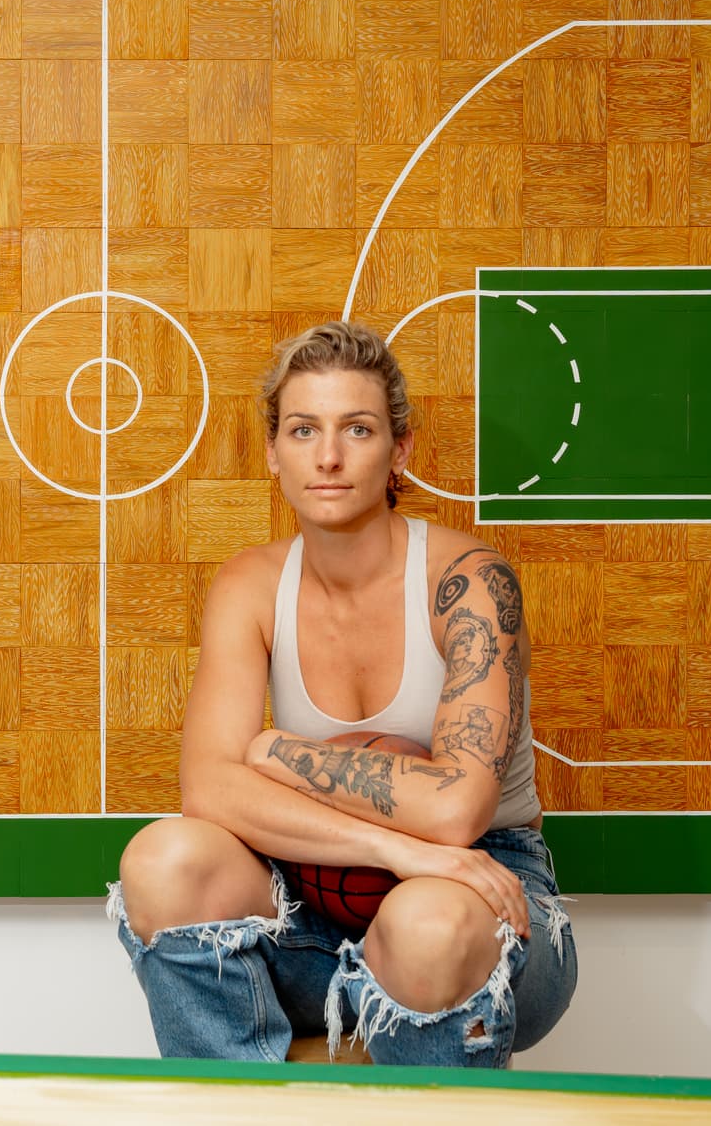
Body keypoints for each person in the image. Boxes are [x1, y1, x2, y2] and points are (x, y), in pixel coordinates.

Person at [106, 321, 577, 1066]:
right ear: (274, 450)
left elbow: (455, 812)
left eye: (357, 428)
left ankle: (396, 1088)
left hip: (480, 887)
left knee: (424, 922)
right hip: (315, 896)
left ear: (400, 449)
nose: (328, 456)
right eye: (304, 429)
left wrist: (274, 752)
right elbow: (208, 789)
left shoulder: (470, 582)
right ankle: (244, 1108)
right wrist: (391, 847)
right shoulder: (249, 584)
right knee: (164, 859)